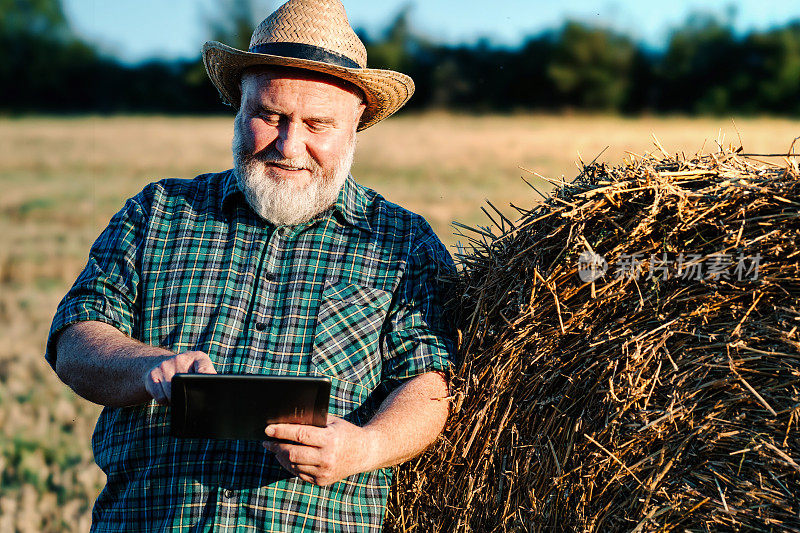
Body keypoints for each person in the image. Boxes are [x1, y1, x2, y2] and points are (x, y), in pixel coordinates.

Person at [46, 0, 455, 530]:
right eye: (270, 115)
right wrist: (148, 366)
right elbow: (74, 337)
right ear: (238, 105)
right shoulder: (159, 211)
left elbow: (432, 383)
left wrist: (362, 447)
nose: (290, 145)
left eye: (318, 124)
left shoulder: (404, 243)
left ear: (356, 125)